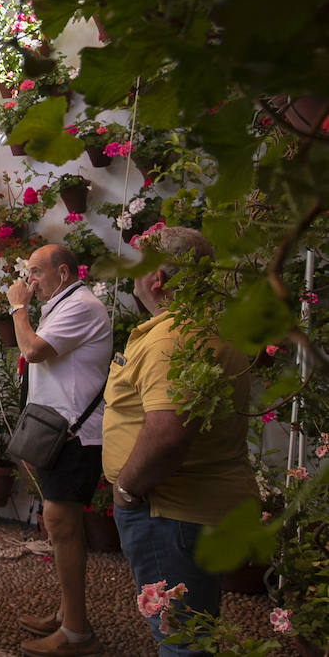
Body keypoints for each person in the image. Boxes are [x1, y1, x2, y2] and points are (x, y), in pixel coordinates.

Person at [102, 226, 257, 657]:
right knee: (193, 629)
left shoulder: (174, 338)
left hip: (168, 511)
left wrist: (127, 489)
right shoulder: (208, 328)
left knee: (181, 639)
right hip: (194, 509)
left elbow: (168, 434)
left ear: (158, 280)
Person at [6, 245, 114, 657]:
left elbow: (31, 349)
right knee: (58, 524)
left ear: (63, 272)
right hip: (58, 431)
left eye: (36, 272)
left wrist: (18, 307)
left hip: (76, 435)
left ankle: (76, 633)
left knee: (61, 524)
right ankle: (67, 612)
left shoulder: (82, 306)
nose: (29, 281)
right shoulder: (62, 303)